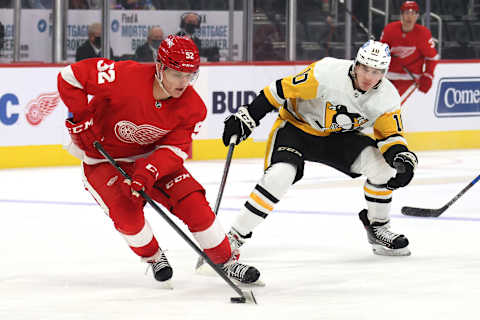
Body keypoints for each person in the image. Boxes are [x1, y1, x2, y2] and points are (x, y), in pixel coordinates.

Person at [57, 35, 260, 285]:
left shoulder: (193, 107)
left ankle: (227, 261)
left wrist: (148, 172)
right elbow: (69, 76)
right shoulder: (123, 76)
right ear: (160, 67)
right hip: (105, 161)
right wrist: (81, 114)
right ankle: (153, 257)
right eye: (177, 75)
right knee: (127, 216)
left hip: (153, 159)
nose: (184, 82)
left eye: (190, 75)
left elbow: (174, 150)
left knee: (194, 205)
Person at [222, 40, 418, 257]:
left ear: (385, 71)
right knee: (279, 176)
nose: (368, 77)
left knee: (384, 168)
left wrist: (402, 160)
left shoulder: (386, 97)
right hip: (297, 129)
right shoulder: (326, 73)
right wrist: (249, 114)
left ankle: (378, 227)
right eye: (365, 68)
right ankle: (232, 239)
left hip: (337, 138)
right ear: (356, 64)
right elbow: (279, 90)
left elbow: (390, 136)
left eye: (377, 71)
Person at [380, 1, 439, 105]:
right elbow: (381, 53)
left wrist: (428, 75)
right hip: (387, 77)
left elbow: (432, 57)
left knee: (391, 107)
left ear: (417, 16)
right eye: (407, 13)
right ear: (401, 15)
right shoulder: (390, 29)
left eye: (413, 13)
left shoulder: (423, 33)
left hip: (410, 79)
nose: (409, 17)